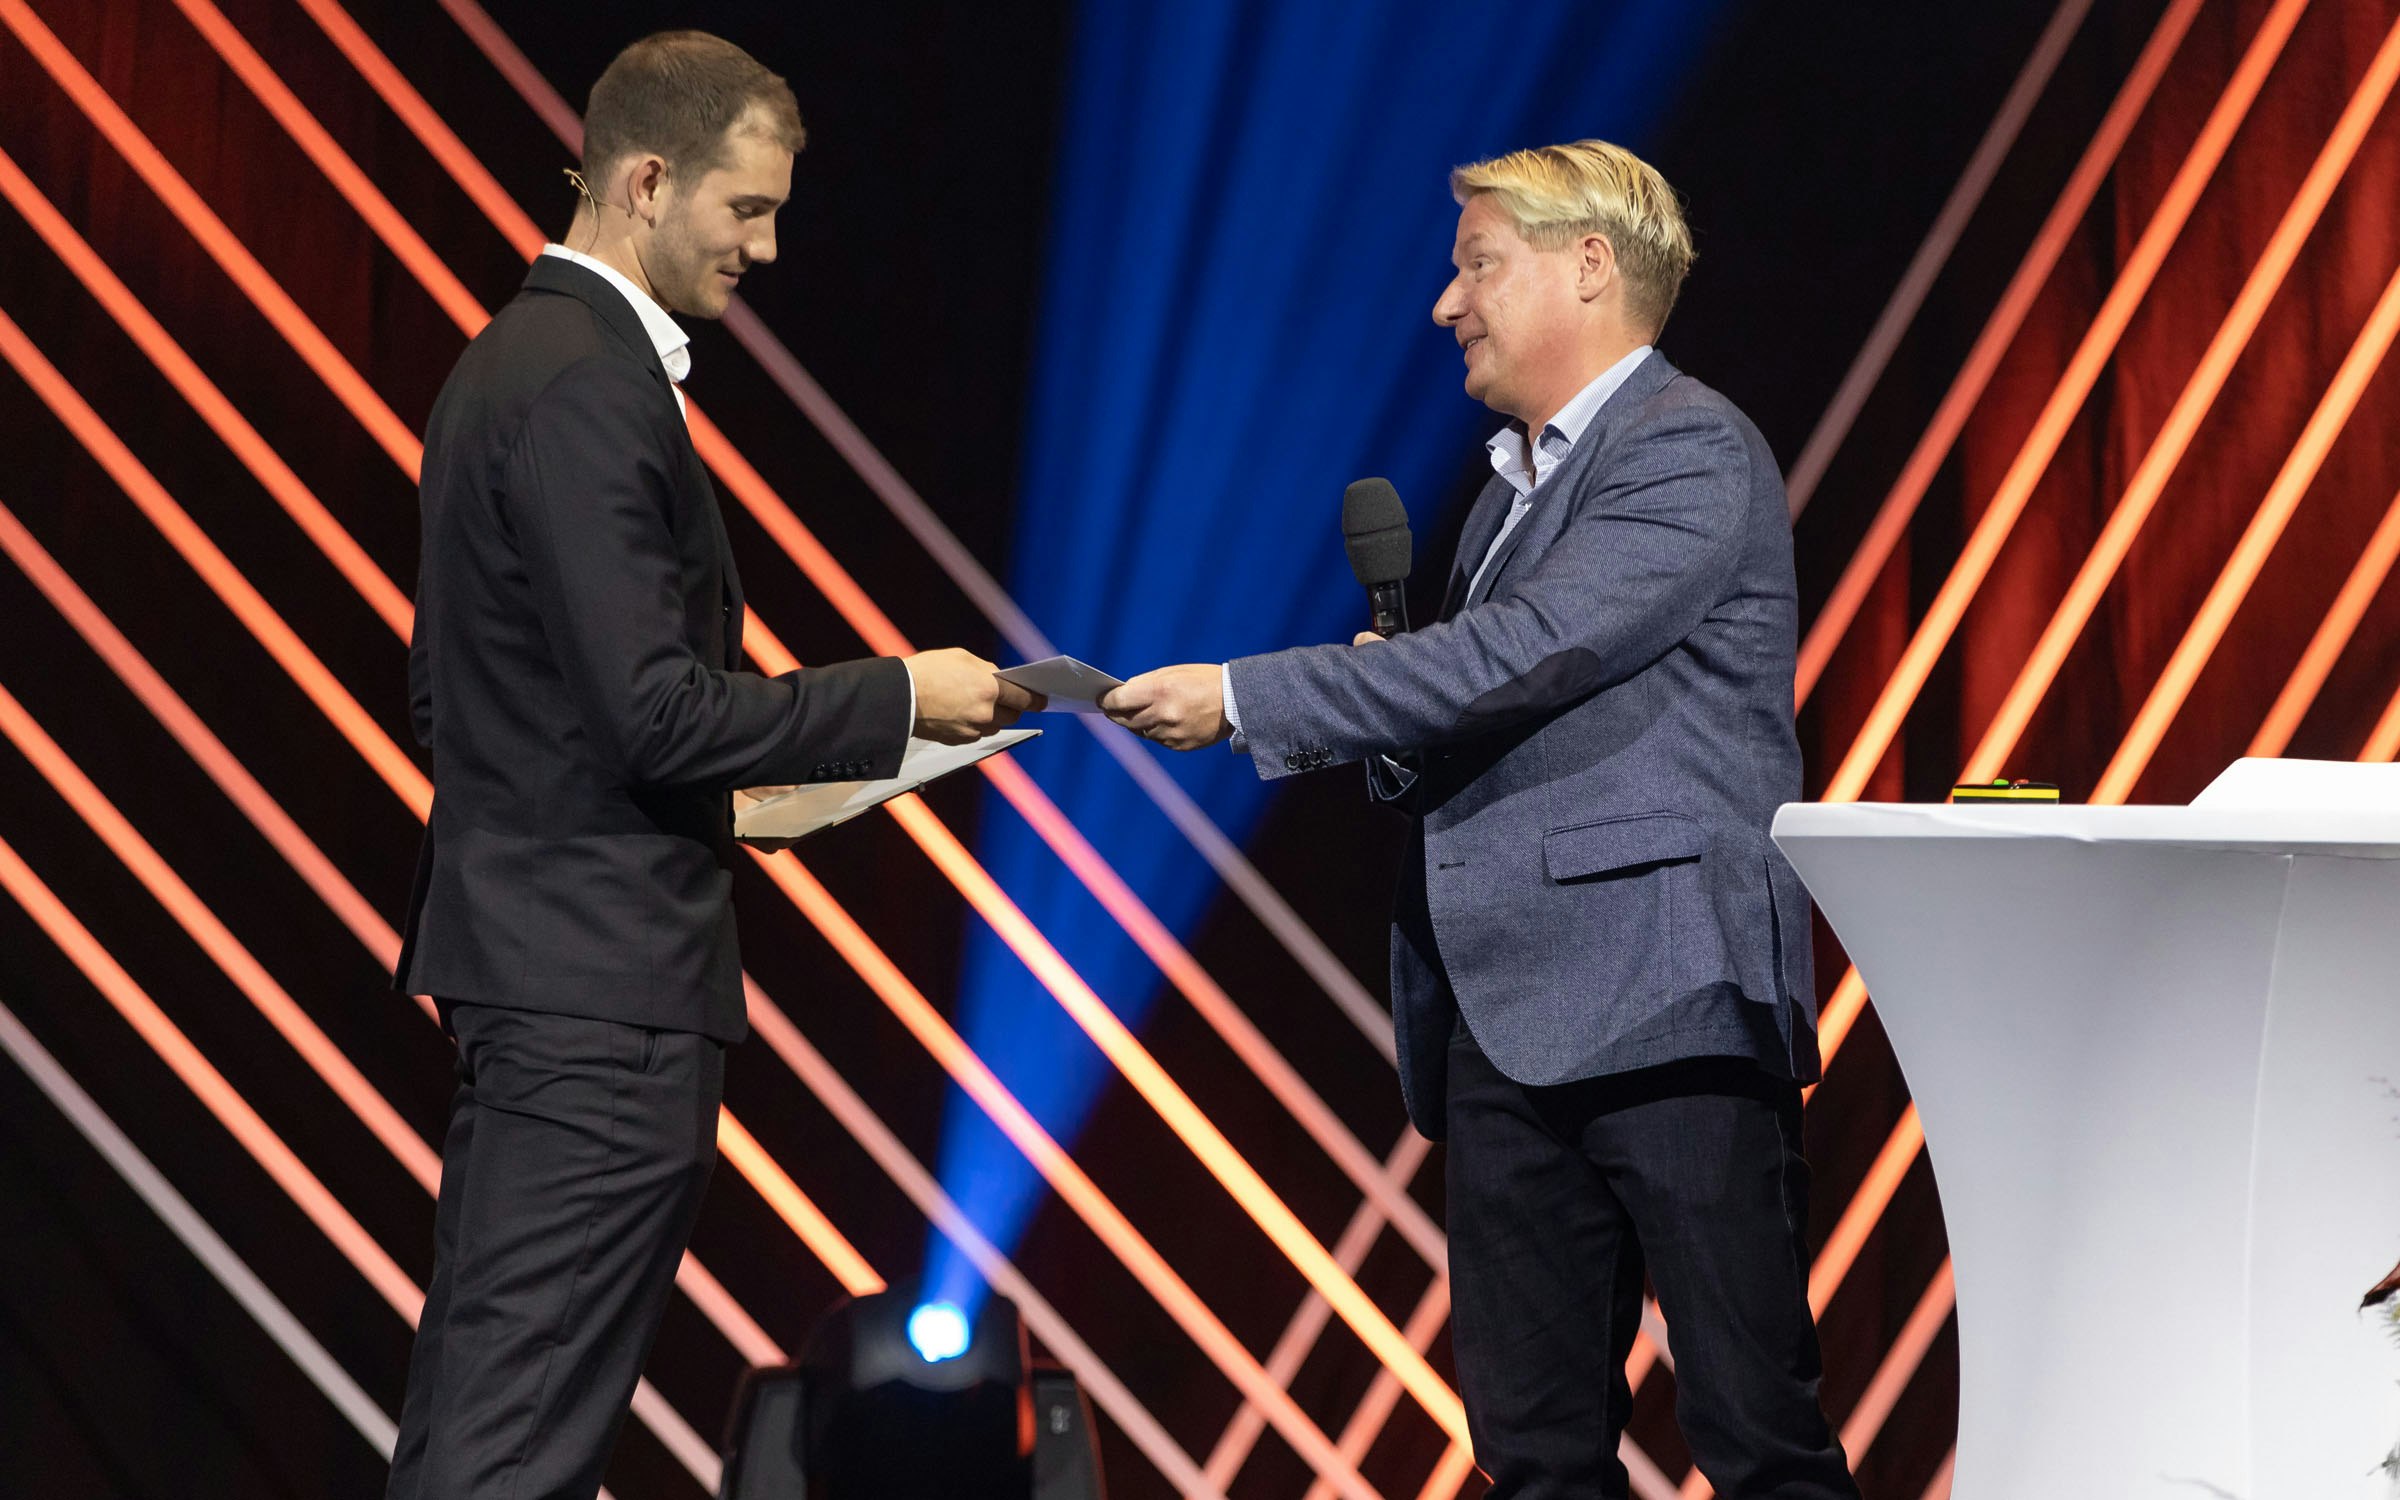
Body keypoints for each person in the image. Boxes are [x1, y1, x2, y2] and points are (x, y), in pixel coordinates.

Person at [1102, 140, 1857, 1498]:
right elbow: (1482, 710)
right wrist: (1392, 726)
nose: (1450, 305)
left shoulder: (1688, 448)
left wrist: (1244, 696)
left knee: (1753, 1433)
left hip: (1664, 1002)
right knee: (1532, 1455)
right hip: (1505, 1023)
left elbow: (1525, 656)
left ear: (1589, 265)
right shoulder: (1515, 487)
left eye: (1477, 267)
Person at [388, 31, 1033, 1498]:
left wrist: (761, 771)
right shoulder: (582, 383)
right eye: (747, 210)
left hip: (549, 972)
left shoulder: (524, 365)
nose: (770, 247)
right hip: (595, 1001)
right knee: (513, 1448)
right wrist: (894, 697)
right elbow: (654, 714)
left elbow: (460, 703)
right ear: (646, 181)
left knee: (487, 1427)